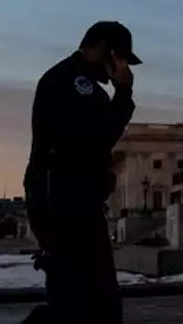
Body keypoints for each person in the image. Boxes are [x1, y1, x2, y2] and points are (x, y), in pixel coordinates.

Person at [22, 21, 139, 324]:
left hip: (73, 202)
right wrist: (124, 92)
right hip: (67, 205)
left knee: (84, 305)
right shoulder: (74, 84)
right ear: (104, 50)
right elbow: (94, 139)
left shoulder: (81, 84)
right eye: (121, 57)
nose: (123, 66)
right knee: (86, 307)